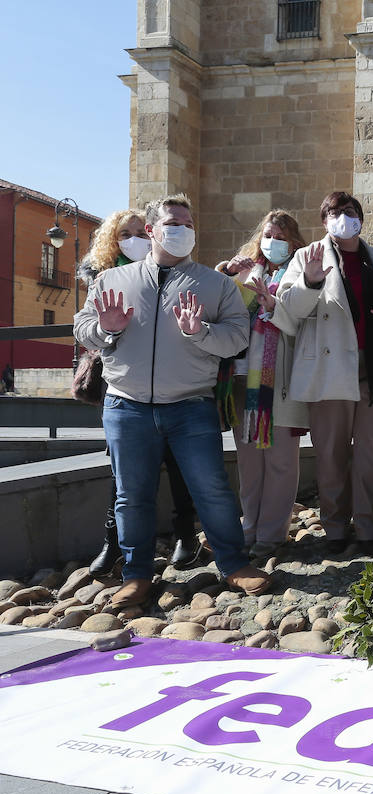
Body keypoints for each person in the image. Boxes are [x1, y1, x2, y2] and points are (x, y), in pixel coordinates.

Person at [73, 195, 271, 609]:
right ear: (152, 230)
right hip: (126, 406)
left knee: (212, 489)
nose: (182, 229)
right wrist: (106, 331)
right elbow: (84, 328)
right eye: (173, 222)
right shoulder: (111, 281)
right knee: (131, 495)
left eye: (188, 222)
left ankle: (234, 564)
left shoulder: (216, 285)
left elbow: (237, 336)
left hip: (190, 405)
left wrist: (200, 332)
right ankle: (137, 575)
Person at [274, 192, 373, 554]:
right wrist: (311, 282)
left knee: (372, 452)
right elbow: (286, 313)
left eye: (349, 211)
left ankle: (368, 527)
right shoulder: (305, 257)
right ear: (324, 220)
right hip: (327, 369)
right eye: (334, 212)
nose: (343, 217)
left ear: (361, 218)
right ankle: (335, 528)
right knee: (331, 453)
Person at [78, 208, 203, 576]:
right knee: (122, 470)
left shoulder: (178, 272)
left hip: (174, 385)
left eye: (140, 232)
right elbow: (85, 330)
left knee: (179, 461)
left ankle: (186, 535)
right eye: (125, 233)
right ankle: (113, 543)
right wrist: (108, 329)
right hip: (122, 386)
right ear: (112, 241)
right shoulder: (103, 279)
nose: (134, 239)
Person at [215, 210, 311, 558]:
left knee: (282, 462)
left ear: (294, 242)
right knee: (249, 462)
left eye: (281, 237)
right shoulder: (246, 270)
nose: (273, 242)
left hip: (281, 379)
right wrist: (232, 276)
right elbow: (223, 308)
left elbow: (303, 317)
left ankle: (272, 533)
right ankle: (249, 527)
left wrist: (274, 303)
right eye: (269, 235)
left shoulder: (300, 272)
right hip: (243, 380)